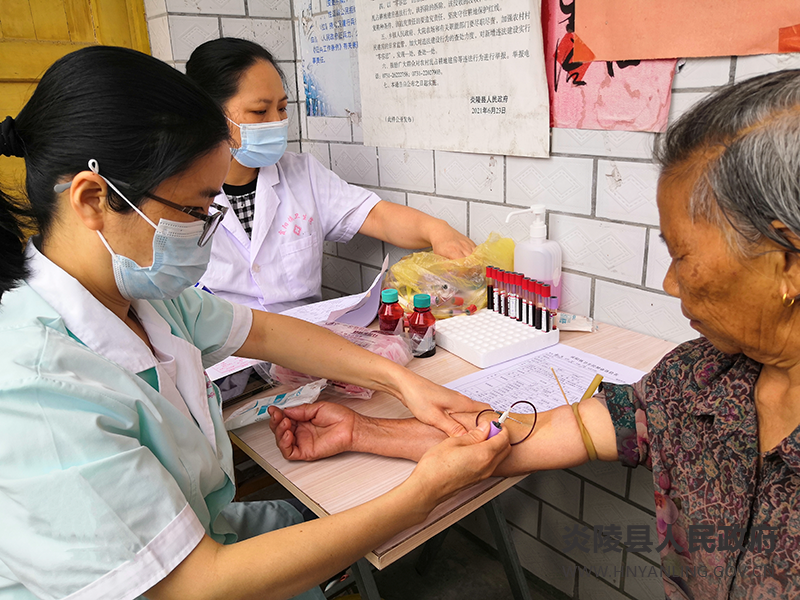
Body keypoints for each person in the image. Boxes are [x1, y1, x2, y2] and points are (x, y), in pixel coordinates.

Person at [268, 69, 800, 600]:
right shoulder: (700, 378)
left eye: (683, 255)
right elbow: (529, 434)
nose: (669, 282)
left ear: (788, 264)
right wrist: (362, 431)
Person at [0, 46, 509, 600]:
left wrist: (403, 382)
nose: (204, 230)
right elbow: (193, 585)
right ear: (94, 199)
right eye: (195, 210)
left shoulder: (145, 298)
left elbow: (266, 331)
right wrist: (422, 493)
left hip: (203, 530)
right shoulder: (34, 388)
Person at [185, 37, 477, 313]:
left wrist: (437, 230)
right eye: (260, 112)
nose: (277, 122)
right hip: (220, 344)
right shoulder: (175, 192)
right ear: (209, 113)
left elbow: (377, 216)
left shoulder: (302, 174)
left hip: (302, 336)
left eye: (282, 108)